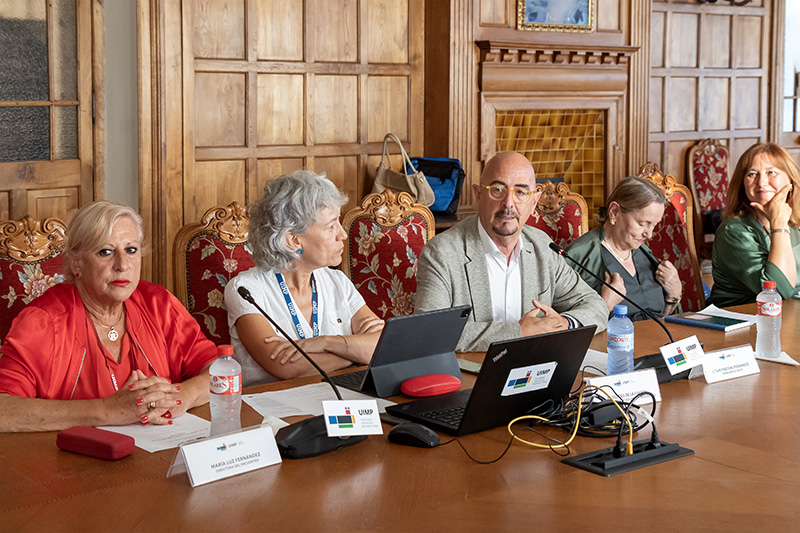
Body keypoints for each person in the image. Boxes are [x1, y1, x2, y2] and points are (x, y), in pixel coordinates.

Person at [0, 202, 217, 433]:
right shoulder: (43, 322)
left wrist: (181, 396)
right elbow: (4, 410)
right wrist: (108, 410)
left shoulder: (158, 304)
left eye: (131, 250)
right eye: (105, 252)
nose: (122, 265)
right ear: (76, 263)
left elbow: (220, 369)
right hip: (71, 461)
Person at [414, 151, 608, 352]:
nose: (508, 203)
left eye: (521, 192)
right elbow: (430, 334)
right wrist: (518, 333)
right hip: (472, 377)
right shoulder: (441, 253)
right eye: (497, 190)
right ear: (479, 195)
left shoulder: (542, 246)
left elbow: (595, 305)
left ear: (534, 202)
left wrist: (563, 325)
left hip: (536, 371)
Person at [224, 170, 384, 386]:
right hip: (274, 411)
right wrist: (356, 350)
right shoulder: (246, 290)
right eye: (331, 226)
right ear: (294, 240)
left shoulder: (337, 282)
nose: (343, 234)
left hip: (340, 397)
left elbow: (382, 346)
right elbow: (287, 367)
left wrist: (325, 342)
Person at [565, 177, 683, 321]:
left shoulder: (644, 253)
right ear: (614, 212)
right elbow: (565, 326)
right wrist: (603, 304)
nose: (650, 234)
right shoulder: (578, 256)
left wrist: (673, 295)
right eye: (642, 224)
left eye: (654, 225)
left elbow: (662, 322)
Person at [709, 143, 800, 307]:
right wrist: (778, 225)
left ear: (790, 179)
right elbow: (778, 292)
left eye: (771, 172)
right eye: (752, 174)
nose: (761, 182)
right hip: (742, 321)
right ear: (742, 184)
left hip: (790, 313)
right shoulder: (733, 231)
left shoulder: (796, 219)